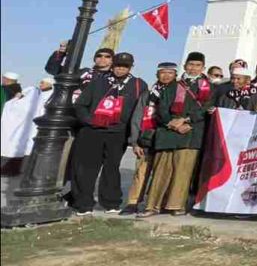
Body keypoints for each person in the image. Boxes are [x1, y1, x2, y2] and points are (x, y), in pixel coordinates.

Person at [68, 52, 146, 215]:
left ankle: (111, 202)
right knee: (87, 168)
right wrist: (90, 121)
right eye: (117, 65)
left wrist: (133, 137)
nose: (120, 69)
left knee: (112, 168)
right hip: (92, 131)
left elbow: (140, 112)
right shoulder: (98, 82)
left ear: (131, 67)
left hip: (118, 134)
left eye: (124, 66)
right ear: (113, 65)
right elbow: (81, 105)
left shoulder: (139, 85)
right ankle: (84, 203)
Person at [140, 56, 206, 217]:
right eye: (191, 65)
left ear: (203, 68)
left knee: (183, 172)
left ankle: (176, 205)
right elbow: (161, 108)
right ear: (185, 66)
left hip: (191, 133)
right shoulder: (172, 86)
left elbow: (206, 107)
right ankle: (152, 206)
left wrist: (186, 120)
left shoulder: (208, 87)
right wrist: (171, 123)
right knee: (161, 171)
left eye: (198, 65)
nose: (194, 68)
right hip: (168, 133)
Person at [121, 62, 172, 215]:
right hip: (146, 138)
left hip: (165, 139)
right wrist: (135, 142)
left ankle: (156, 203)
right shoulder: (148, 93)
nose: (166, 76)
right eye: (163, 72)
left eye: (170, 73)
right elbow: (137, 118)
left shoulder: (178, 93)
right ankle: (133, 202)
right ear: (157, 74)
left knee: (162, 174)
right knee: (141, 172)